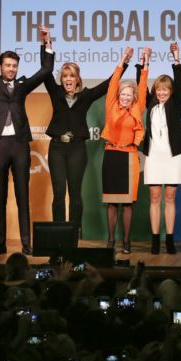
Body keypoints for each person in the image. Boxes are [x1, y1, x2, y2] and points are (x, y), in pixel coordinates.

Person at [0, 16, 54, 256]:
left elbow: (46, 70)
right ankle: (1, 243)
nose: (11, 69)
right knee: (0, 194)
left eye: (14, 66)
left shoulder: (23, 86)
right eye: (8, 65)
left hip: (19, 144)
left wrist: (46, 42)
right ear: (1, 66)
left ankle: (26, 243)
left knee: (23, 194)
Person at [44, 53, 124, 237]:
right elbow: (46, 71)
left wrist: (123, 63)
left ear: (77, 78)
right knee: (58, 193)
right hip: (56, 148)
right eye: (65, 76)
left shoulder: (86, 95)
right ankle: (59, 233)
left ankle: (73, 232)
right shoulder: (55, 93)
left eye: (71, 76)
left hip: (77, 149)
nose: (68, 79)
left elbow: (108, 84)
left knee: (75, 193)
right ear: (61, 79)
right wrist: (46, 44)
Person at [140, 43, 181, 255]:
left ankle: (169, 239)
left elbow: (179, 82)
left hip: (172, 157)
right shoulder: (150, 104)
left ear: (171, 91)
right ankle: (154, 240)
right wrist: (145, 62)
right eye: (158, 89)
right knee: (154, 198)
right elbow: (142, 86)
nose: (161, 92)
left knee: (170, 198)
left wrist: (176, 58)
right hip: (153, 157)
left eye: (165, 89)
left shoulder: (176, 104)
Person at [100, 47, 147, 253]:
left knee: (128, 204)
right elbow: (112, 83)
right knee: (111, 203)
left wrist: (146, 63)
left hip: (129, 157)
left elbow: (143, 87)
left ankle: (126, 242)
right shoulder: (111, 105)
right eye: (123, 93)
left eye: (129, 94)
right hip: (111, 155)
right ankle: (111, 240)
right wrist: (122, 60)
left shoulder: (137, 109)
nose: (126, 97)